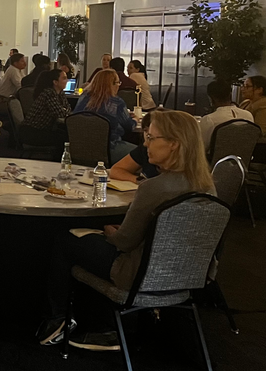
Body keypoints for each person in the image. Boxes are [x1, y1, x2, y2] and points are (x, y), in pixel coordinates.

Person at [39, 110, 215, 350]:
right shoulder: (208, 188)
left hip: (137, 274)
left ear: (174, 144)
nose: (145, 143)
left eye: (152, 138)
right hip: (187, 277)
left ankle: (63, 320)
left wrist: (110, 231)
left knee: (66, 239)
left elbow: (123, 243)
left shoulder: (153, 189)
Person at [72, 70, 137, 163]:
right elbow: (129, 126)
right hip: (108, 148)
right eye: (118, 82)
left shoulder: (83, 97)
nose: (119, 85)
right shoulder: (117, 103)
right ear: (112, 84)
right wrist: (135, 119)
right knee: (141, 154)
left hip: (80, 148)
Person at [21, 70, 71, 148]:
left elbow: (68, 108)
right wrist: (65, 110)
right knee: (64, 138)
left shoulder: (60, 93)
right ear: (55, 82)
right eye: (64, 78)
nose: (67, 81)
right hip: (33, 132)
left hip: (42, 129)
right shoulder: (49, 93)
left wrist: (65, 110)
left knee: (65, 135)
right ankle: (57, 160)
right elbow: (60, 113)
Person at [199, 79, 255, 149]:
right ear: (230, 95)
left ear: (211, 98)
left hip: (215, 159)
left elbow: (200, 148)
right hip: (242, 159)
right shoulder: (248, 116)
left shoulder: (209, 120)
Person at [110, 113, 160, 183]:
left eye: (151, 136)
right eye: (145, 131)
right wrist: (141, 181)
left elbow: (128, 126)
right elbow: (115, 170)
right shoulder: (144, 149)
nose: (146, 141)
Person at [240, 76, 266, 142]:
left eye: (247, 86)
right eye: (243, 86)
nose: (243, 89)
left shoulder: (263, 106)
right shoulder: (246, 102)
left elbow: (260, 132)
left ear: (259, 89)